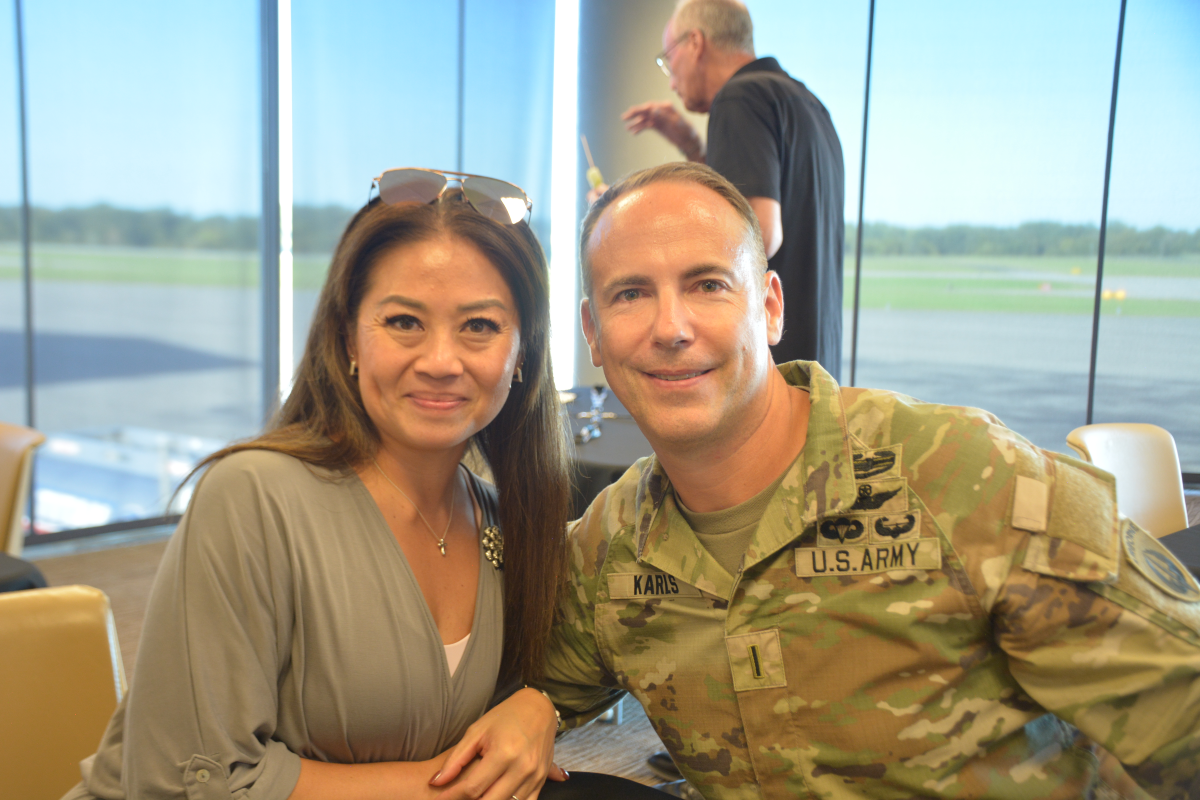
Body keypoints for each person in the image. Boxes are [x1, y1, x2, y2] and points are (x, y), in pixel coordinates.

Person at [537, 161, 1200, 799]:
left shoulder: (968, 478)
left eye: (708, 285)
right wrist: (534, 706)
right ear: (593, 333)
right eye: (631, 294)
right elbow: (521, 682)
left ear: (770, 308)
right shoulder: (612, 544)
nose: (671, 328)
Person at [62, 168, 573, 800]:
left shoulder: (507, 523)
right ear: (348, 338)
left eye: (480, 326)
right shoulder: (253, 497)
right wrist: (448, 789)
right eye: (404, 321)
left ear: (522, 354)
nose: (441, 361)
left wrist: (538, 706)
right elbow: (195, 783)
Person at [615, 0, 844, 381]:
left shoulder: (739, 98)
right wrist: (690, 145)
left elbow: (759, 233)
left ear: (695, 43)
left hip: (773, 367)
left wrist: (635, 227)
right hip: (817, 360)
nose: (671, 80)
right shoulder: (807, 104)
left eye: (669, 59)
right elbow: (750, 197)